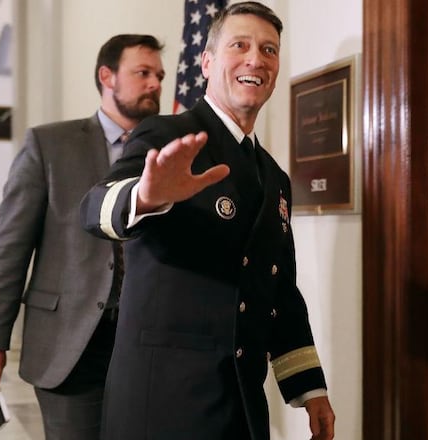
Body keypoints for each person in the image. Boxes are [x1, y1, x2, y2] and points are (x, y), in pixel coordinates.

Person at [79, 3, 335, 440]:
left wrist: (310, 388)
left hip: (240, 402)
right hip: (163, 403)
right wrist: (146, 196)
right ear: (208, 61)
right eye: (241, 45)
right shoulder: (165, 134)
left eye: (269, 50)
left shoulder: (274, 177)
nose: (256, 59)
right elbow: (93, 209)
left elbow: (280, 292)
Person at [0, 34, 165, 439]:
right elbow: (10, 248)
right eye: (143, 73)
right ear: (106, 76)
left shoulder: (169, 152)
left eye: (159, 75)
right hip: (71, 344)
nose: (155, 84)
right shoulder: (49, 145)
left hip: (149, 342)